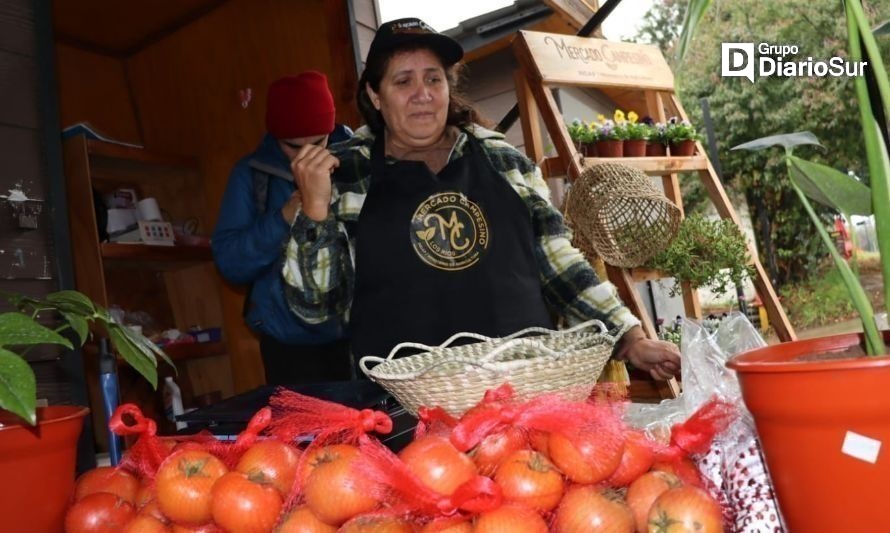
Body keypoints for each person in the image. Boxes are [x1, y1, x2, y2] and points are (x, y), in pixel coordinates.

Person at [281, 20, 680, 381]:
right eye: (403, 81)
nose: (422, 94)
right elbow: (316, 309)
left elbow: (559, 263)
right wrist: (315, 214)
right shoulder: (346, 174)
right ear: (375, 94)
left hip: (523, 385)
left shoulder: (503, 158)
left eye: (433, 79)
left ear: (448, 87)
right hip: (405, 409)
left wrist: (630, 338)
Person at [212, 71, 353, 385]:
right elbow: (229, 262)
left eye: (318, 142)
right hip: (288, 346)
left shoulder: (361, 161)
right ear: (275, 136)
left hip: (359, 336)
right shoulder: (249, 175)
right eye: (292, 146)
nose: (306, 156)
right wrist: (282, 218)